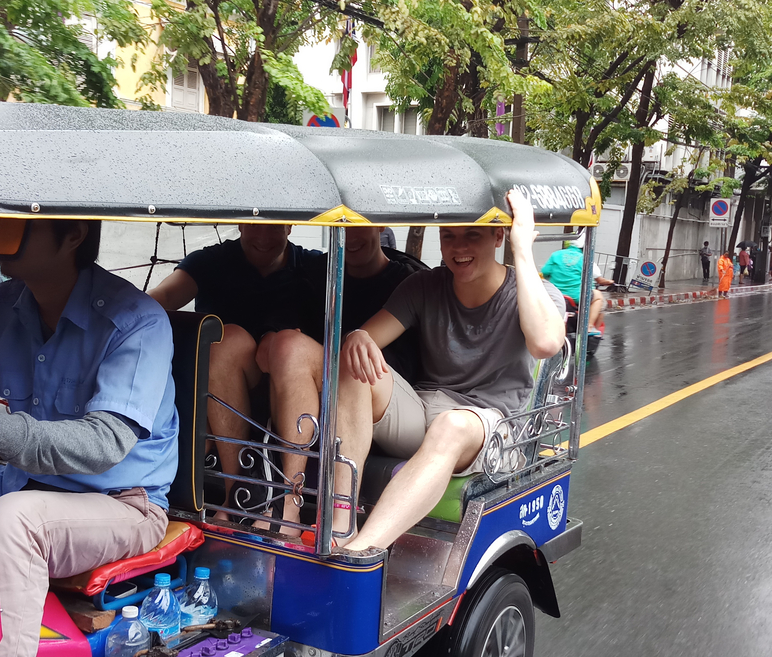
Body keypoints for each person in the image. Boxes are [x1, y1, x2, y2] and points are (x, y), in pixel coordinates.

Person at [0, 219, 178, 657]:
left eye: (20, 222)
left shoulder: (138, 323)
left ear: (72, 236)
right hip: (26, 483)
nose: (0, 231)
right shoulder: (4, 306)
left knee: (14, 520)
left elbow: (104, 443)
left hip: (124, 503)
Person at [332, 189, 566, 550]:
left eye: (472, 235)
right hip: (424, 411)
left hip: (489, 427)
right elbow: (367, 338)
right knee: (353, 363)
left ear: (498, 236)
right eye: (449, 236)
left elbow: (545, 343)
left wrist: (521, 249)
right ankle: (339, 527)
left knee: (451, 426)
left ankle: (360, 552)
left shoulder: (537, 293)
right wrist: (358, 336)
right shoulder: (425, 285)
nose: (459, 248)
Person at [147, 225, 322, 514]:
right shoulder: (211, 261)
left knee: (286, 347)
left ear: (290, 226)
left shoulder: (315, 267)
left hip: (295, 387)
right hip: (222, 387)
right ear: (240, 223)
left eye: (273, 226)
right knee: (226, 340)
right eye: (254, 225)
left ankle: (289, 500)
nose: (263, 237)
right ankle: (238, 496)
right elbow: (163, 297)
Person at [257, 227, 422, 532]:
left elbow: (405, 367)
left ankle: (342, 519)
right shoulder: (312, 274)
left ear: (380, 226)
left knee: (352, 362)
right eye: (342, 228)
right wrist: (275, 340)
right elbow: (269, 345)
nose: (350, 237)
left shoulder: (408, 282)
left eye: (359, 226)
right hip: (319, 397)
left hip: (385, 400)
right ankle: (288, 504)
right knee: (287, 345)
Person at [540, 235, 609, 338]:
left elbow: (545, 272)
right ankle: (589, 327)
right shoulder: (585, 258)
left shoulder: (556, 255)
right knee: (598, 296)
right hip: (577, 296)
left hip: (555, 294)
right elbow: (595, 277)